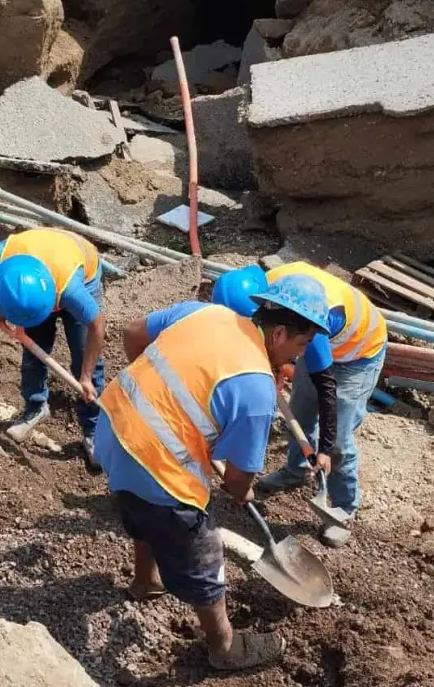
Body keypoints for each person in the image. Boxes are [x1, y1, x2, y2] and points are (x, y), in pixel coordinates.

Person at [94, 274, 331, 671]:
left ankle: (146, 581)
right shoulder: (256, 388)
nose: (300, 357)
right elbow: (236, 480)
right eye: (302, 345)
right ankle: (225, 647)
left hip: (112, 427)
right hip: (157, 466)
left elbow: (134, 333)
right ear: (279, 335)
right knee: (204, 551)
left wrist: (156, 403)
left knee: (138, 506)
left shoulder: (207, 314)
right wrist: (242, 489)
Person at [212, 262, 387, 548]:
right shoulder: (266, 293)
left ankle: (344, 507)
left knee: (340, 439)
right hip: (310, 337)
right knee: (301, 414)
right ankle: (296, 472)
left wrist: (326, 448)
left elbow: (326, 387)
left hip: (358, 354)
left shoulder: (311, 328)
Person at [0, 228, 105, 459]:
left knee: (83, 357)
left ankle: (94, 429)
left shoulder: (72, 291)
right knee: (34, 351)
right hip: (38, 260)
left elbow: (96, 327)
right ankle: (36, 408)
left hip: (79, 265)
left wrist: (84, 376)